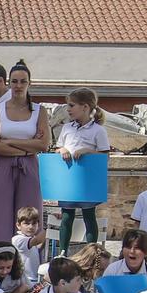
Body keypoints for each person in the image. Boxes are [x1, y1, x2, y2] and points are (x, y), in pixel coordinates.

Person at [0, 59, 49, 246]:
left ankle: (28, 261)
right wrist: (28, 145)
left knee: (30, 216)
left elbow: (43, 145)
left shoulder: (39, 111)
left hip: (29, 167)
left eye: (22, 81)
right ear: (9, 82)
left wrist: (10, 141)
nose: (18, 86)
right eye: (14, 81)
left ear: (29, 83)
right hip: (1, 166)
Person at [52, 88, 110, 251]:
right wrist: (61, 150)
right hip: (69, 177)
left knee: (89, 216)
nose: (68, 109)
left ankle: (91, 250)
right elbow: (58, 148)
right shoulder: (67, 128)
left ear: (85, 107)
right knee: (66, 216)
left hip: (86, 179)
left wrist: (87, 151)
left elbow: (104, 156)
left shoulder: (98, 130)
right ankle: (63, 251)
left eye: (72, 105)